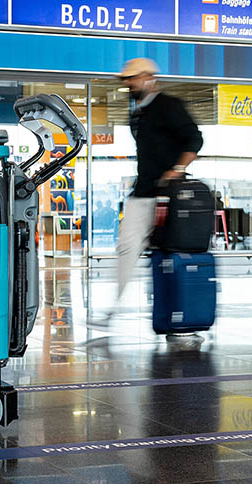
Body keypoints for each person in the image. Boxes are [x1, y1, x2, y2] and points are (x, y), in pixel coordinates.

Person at [91, 58, 204, 325]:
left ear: (149, 78)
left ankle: (178, 315)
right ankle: (114, 309)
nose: (128, 83)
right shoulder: (137, 113)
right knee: (127, 247)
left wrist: (176, 169)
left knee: (169, 253)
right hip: (142, 192)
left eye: (133, 78)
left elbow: (195, 139)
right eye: (126, 79)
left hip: (169, 196)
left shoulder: (169, 106)